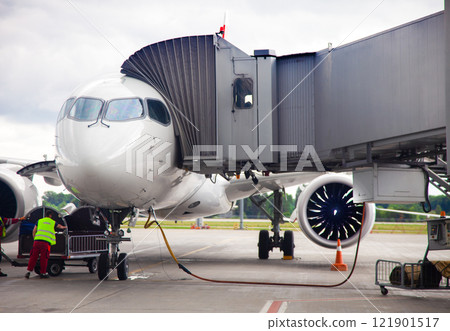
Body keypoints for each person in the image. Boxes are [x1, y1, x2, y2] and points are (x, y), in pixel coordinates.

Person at [25, 210, 66, 279]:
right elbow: (60, 226)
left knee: (33, 257)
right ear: (50, 215)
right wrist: (66, 227)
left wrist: (35, 238)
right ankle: (43, 273)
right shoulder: (52, 222)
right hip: (45, 243)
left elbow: (34, 231)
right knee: (44, 258)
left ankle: (28, 272)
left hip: (37, 241)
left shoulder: (39, 221)